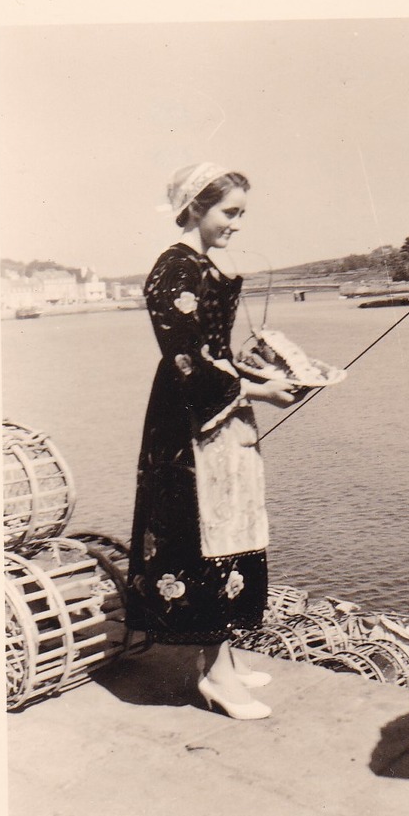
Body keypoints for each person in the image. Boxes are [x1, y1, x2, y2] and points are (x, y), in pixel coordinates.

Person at [125, 163, 295, 720]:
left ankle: (223, 658)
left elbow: (213, 348)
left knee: (234, 522)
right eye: (230, 212)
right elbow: (186, 361)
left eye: (242, 213)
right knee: (208, 532)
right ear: (196, 206)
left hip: (221, 410)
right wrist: (259, 390)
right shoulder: (173, 269)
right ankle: (216, 677)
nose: (237, 224)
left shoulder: (200, 263)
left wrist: (257, 369)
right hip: (190, 419)